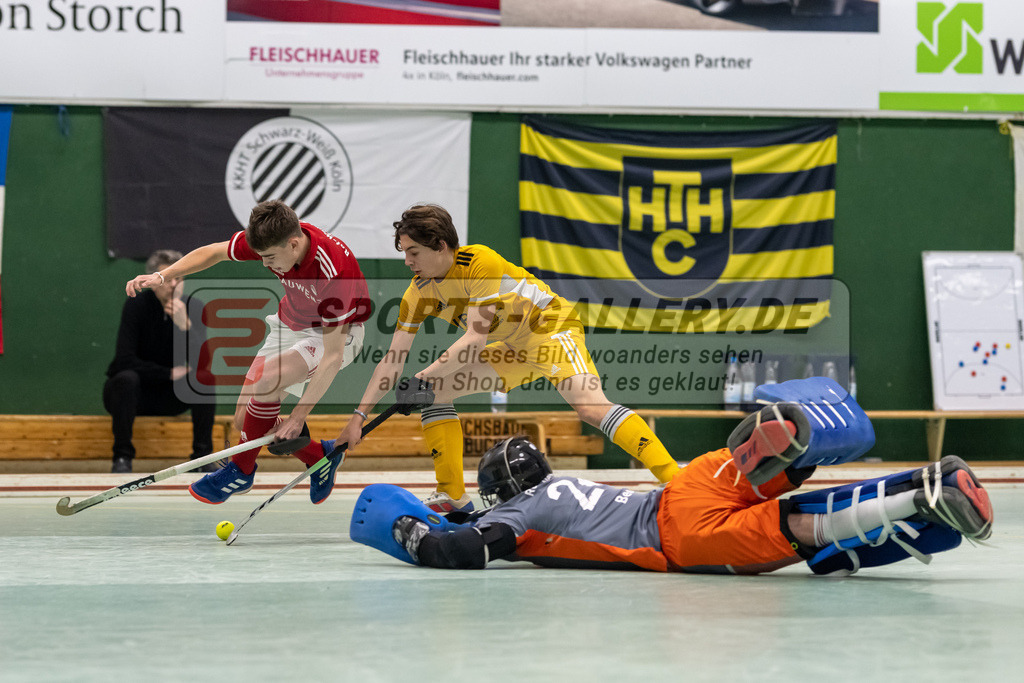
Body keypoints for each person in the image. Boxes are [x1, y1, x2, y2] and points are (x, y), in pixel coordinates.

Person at [351, 378, 994, 576]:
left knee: (792, 529)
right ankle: (795, 454)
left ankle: (918, 494)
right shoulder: (562, 488)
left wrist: (409, 530)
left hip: (677, 537)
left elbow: (459, 550)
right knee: (762, 481)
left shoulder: (519, 516)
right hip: (687, 484)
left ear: (504, 493)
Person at [336, 203, 682, 514]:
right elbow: (393, 359)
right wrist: (357, 416)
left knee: (589, 407)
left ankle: (675, 481)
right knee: (437, 393)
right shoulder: (418, 291)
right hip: (512, 348)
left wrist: (424, 375)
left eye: (413, 252)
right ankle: (453, 495)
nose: (407, 261)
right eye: (404, 252)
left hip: (550, 330)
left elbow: (474, 339)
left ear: (440, 246)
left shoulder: (479, 263)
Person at [124, 200, 371, 504]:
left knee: (268, 380)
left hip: (336, 336)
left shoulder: (333, 272)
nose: (265, 265)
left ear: (294, 245)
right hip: (290, 323)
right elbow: (214, 251)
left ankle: (241, 470)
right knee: (245, 422)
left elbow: (332, 357)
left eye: (269, 258)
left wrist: (298, 416)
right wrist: (162, 276)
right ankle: (320, 456)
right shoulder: (272, 238)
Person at [104, 249, 216, 474]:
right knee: (126, 379)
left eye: (180, 278)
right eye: (168, 278)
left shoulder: (193, 307)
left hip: (171, 396)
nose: (174, 284)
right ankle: (122, 458)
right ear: (154, 281)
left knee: (203, 378)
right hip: (131, 395)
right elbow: (124, 360)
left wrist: (186, 326)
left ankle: (201, 458)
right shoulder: (136, 305)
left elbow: (202, 365)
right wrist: (167, 373)